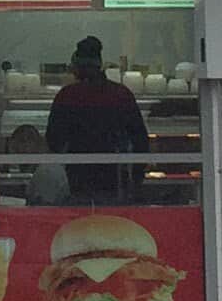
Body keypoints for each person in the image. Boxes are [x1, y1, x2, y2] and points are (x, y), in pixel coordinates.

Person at [47, 37, 151, 204]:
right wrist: (136, 180)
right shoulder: (121, 94)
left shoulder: (67, 96)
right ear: (100, 65)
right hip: (115, 182)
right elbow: (141, 141)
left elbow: (53, 141)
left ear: (77, 68)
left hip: (77, 181)